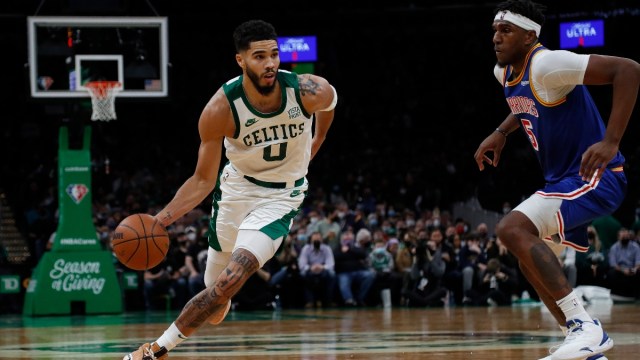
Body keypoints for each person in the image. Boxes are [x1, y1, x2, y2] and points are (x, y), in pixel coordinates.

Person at [123, 19, 337, 360]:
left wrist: (318, 138)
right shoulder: (220, 109)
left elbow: (330, 103)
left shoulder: (309, 90)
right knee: (216, 299)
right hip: (236, 192)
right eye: (259, 56)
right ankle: (216, 297)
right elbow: (203, 180)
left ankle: (155, 349)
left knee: (230, 280)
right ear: (241, 60)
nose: (270, 63)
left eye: (274, 55)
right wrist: (161, 220)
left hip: (281, 199)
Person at [474, 1, 640, 359]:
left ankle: (585, 328)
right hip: (562, 180)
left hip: (597, 176)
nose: (496, 38)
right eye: (494, 30)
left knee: (510, 229)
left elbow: (627, 70)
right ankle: (583, 345)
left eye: (506, 31)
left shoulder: (547, 63)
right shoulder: (504, 74)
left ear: (529, 35)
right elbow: (526, 103)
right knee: (528, 256)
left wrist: (611, 141)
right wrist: (501, 131)